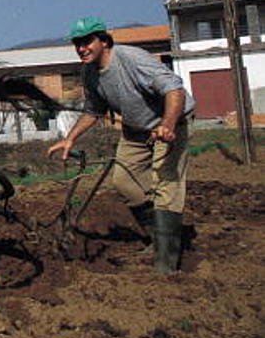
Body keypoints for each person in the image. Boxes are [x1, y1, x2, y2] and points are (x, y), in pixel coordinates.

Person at [47, 17, 195, 273]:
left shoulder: (132, 59)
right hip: (135, 130)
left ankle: (166, 264)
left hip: (168, 125)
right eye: (77, 44)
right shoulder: (89, 72)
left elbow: (175, 90)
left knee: (165, 183)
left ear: (104, 41)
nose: (81, 48)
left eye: (87, 42)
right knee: (125, 182)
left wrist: (168, 125)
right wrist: (70, 138)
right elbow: (93, 111)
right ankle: (159, 238)